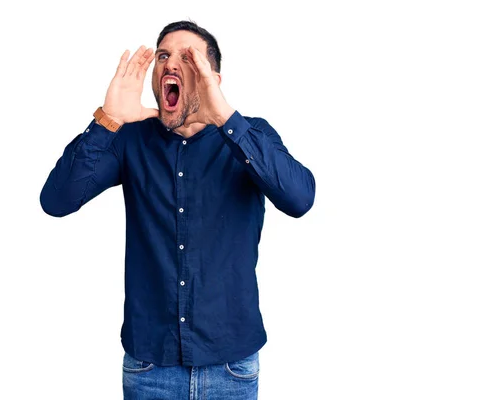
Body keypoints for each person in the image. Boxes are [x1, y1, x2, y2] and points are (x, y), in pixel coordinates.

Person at [40, 20, 316, 400]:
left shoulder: (252, 136)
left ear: (212, 78)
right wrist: (108, 119)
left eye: (187, 58)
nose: (170, 63)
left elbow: (300, 199)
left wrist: (227, 122)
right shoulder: (130, 140)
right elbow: (56, 201)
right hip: (150, 367)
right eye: (163, 56)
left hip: (231, 367)